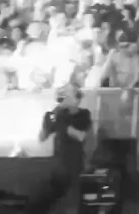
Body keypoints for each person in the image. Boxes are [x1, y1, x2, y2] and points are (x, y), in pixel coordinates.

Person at [39, 84, 92, 213]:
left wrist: (62, 123)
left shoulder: (83, 114)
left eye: (68, 95)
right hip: (58, 164)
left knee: (72, 201)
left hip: (74, 164)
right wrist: (51, 117)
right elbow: (42, 137)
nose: (64, 98)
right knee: (55, 201)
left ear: (76, 99)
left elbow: (80, 136)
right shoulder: (56, 114)